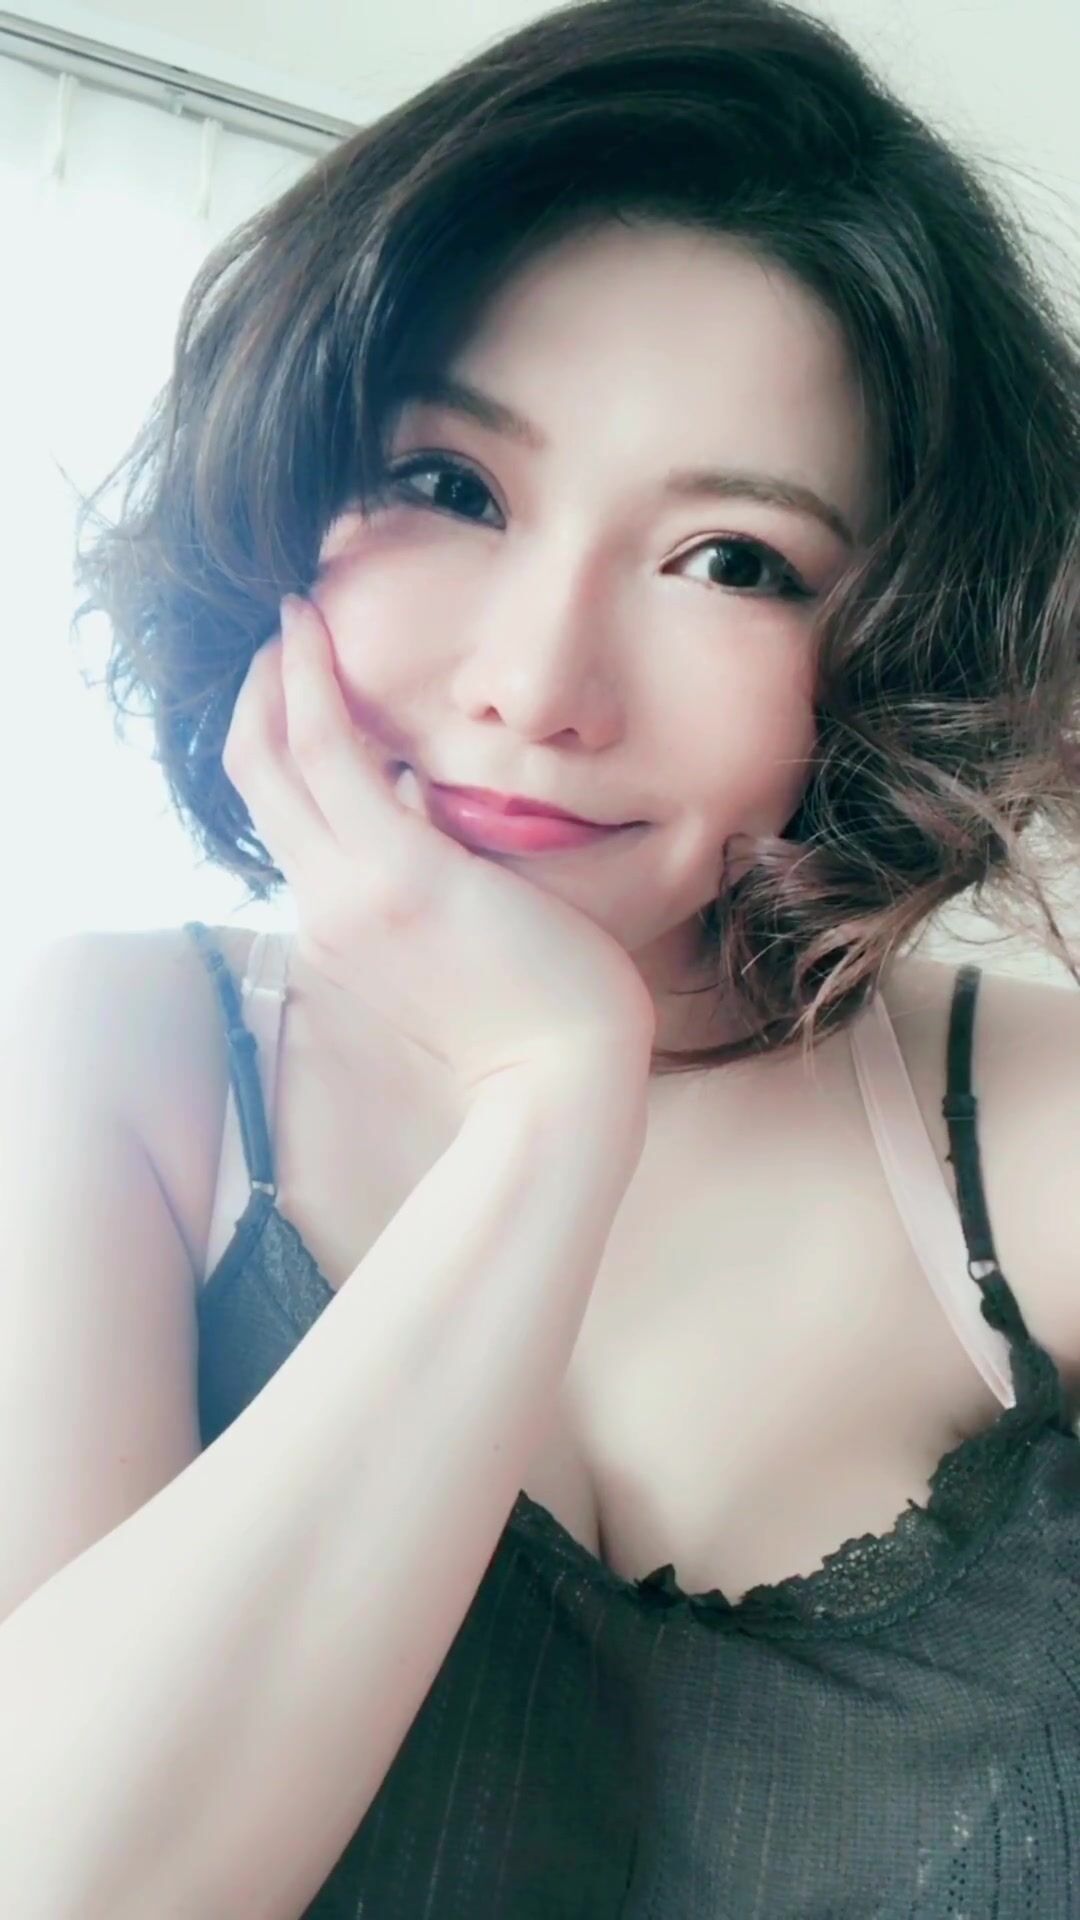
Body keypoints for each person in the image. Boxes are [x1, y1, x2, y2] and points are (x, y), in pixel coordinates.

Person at [2, 0, 1080, 1912]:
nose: (535, 683)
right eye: (451, 486)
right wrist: (550, 1104)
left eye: (734, 560)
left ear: (894, 649)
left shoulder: (1041, 1129)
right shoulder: (116, 1055)